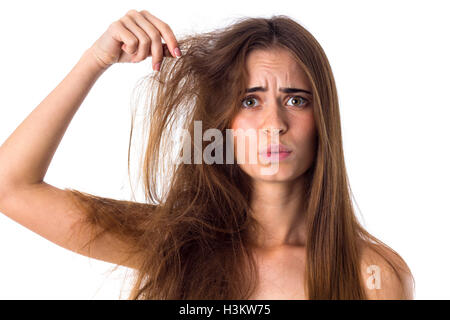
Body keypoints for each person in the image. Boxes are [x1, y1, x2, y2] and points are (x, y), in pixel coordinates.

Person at [0, 9, 415, 300]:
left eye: (297, 100)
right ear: (223, 125)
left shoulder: (372, 275)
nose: (275, 123)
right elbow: (10, 187)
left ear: (323, 119)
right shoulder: (175, 243)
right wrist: (94, 61)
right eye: (250, 101)